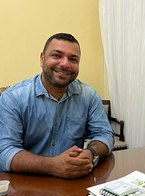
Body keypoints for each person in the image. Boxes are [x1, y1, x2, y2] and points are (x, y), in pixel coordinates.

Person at [0, 33, 114, 178]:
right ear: (42, 59)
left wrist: (91, 153)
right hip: (25, 186)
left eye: (73, 59)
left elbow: (104, 134)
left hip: (73, 184)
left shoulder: (89, 96)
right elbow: (5, 152)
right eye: (56, 55)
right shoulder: (13, 98)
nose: (65, 64)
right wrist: (52, 165)